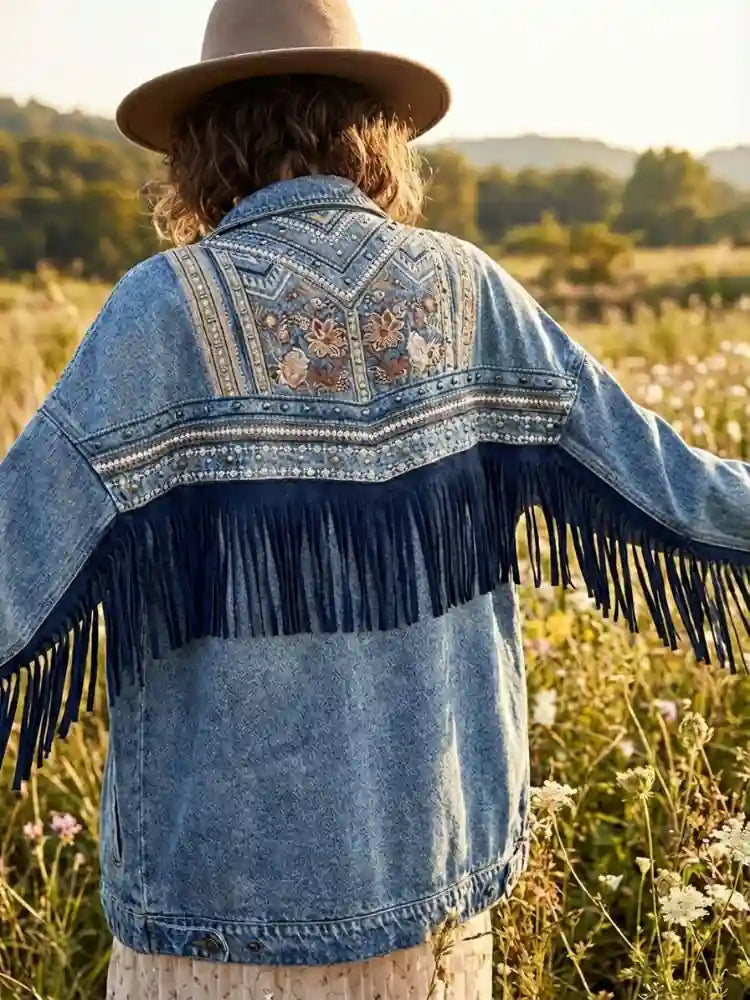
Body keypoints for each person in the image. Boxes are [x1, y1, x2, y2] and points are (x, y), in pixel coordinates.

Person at [1, 0, 749, 997]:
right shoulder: (467, 290)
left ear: (201, 146)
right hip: (438, 898)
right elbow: (670, 482)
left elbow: (18, 550)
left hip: (218, 915)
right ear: (375, 134)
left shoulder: (160, 309)